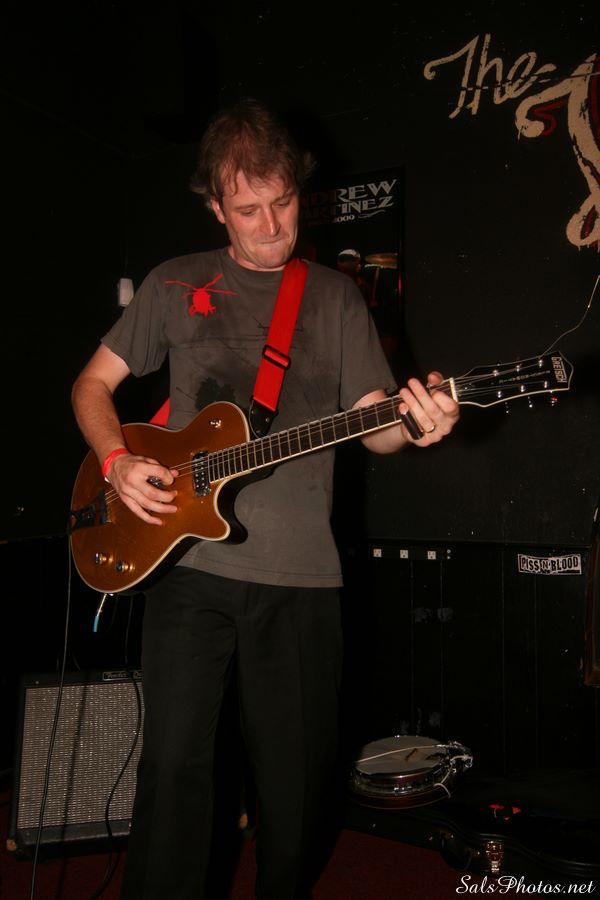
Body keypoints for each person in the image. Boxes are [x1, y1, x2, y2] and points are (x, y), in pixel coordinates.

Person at [71, 98, 460, 900]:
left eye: (282, 202)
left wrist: (417, 424)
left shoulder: (335, 297)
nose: (270, 224)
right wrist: (116, 461)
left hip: (301, 577)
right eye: (247, 210)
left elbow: (373, 426)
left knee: (296, 784)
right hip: (188, 566)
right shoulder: (173, 282)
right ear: (216, 207)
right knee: (174, 768)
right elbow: (91, 386)